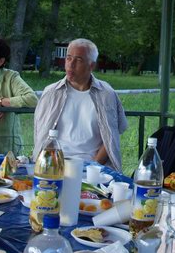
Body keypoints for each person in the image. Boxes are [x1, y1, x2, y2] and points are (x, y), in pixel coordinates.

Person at [33, 39, 127, 169]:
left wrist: (92, 167)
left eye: (78, 60)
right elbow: (41, 134)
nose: (71, 65)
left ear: (91, 66)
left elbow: (112, 135)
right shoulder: (51, 93)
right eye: (68, 58)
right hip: (56, 165)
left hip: (94, 167)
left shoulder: (106, 94)